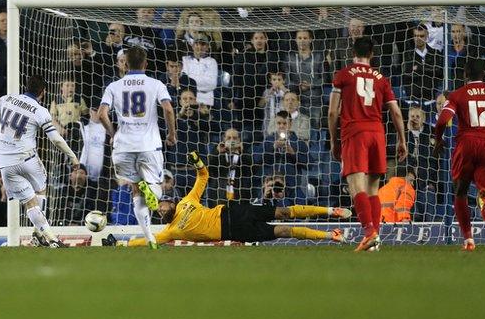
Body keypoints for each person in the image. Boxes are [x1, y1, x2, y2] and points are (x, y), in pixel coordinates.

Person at [103, 151, 350, 247]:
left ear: (170, 201)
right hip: (236, 231)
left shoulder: (188, 200)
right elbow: (149, 240)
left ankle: (331, 211)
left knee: (283, 212)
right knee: (284, 231)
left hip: (234, 212)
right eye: (157, 211)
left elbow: (204, 175)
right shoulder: (171, 230)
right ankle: (331, 236)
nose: (160, 211)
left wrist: (197, 160)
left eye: (161, 206)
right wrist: (120, 244)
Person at [0, 75, 80, 248]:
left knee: (29, 201)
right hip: (27, 159)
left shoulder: (7, 99)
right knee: (40, 191)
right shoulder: (39, 110)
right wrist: (73, 157)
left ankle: (39, 235)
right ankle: (51, 238)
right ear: (43, 92)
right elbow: (56, 140)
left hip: (5, 162)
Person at [328, 36, 407, 251]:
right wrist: (402, 140)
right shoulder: (381, 78)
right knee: (373, 189)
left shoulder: (343, 75)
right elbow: (396, 113)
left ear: (353, 53)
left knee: (357, 188)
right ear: (372, 55)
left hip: (355, 133)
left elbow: (333, 111)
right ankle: (375, 241)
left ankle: (369, 232)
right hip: (377, 134)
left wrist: (334, 142)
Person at [97, 46, 176, 249]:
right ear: (145, 63)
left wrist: (113, 134)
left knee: (135, 190)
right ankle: (151, 191)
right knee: (156, 189)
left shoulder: (114, 86)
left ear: (125, 63)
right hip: (149, 146)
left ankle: (150, 238)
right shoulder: (156, 84)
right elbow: (167, 108)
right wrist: (171, 134)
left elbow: (101, 114)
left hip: (123, 147)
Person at [434, 59, 485, 251]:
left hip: (466, 143)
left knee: (460, 191)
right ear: (483, 74)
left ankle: (468, 240)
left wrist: (438, 139)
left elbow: (443, 119)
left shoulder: (458, 94)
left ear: (464, 74)